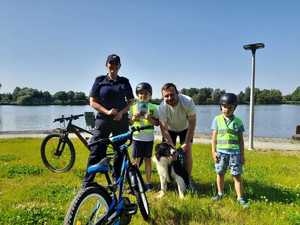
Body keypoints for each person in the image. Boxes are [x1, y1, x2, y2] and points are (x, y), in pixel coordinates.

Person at [83, 54, 134, 187]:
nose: (113, 66)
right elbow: (92, 102)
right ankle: (88, 182)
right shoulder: (99, 80)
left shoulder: (124, 81)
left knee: (120, 151)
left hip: (120, 121)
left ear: (120, 66)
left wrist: (122, 113)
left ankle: (117, 180)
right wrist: (107, 112)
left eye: (116, 64)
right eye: (111, 63)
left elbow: (131, 102)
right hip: (103, 120)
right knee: (96, 149)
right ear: (106, 65)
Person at [211, 93, 248, 208]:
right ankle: (220, 194)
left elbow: (241, 141)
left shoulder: (238, 121)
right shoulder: (217, 120)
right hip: (221, 153)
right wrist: (213, 151)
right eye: (224, 106)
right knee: (220, 173)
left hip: (235, 154)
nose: (227, 109)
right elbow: (214, 138)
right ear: (220, 107)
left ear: (234, 108)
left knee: (237, 176)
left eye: (230, 107)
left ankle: (240, 198)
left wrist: (242, 155)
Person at [158, 83, 196, 184]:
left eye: (172, 94)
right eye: (166, 96)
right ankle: (168, 179)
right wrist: (172, 147)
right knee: (168, 156)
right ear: (163, 97)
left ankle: (188, 180)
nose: (169, 98)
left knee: (187, 153)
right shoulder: (162, 107)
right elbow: (164, 129)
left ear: (177, 93)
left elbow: (192, 123)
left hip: (185, 128)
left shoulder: (187, 101)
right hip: (169, 130)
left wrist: (187, 143)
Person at [129, 82, 159, 191]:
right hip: (137, 138)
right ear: (137, 95)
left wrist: (149, 118)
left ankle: (148, 183)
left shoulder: (154, 107)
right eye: (140, 93)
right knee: (135, 161)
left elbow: (157, 123)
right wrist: (133, 118)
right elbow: (130, 123)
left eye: (146, 93)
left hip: (149, 138)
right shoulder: (133, 107)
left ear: (150, 95)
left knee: (147, 160)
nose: (143, 95)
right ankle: (135, 183)